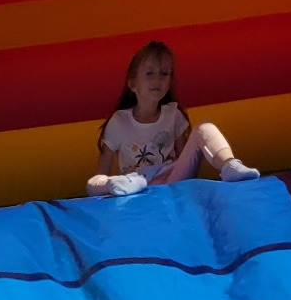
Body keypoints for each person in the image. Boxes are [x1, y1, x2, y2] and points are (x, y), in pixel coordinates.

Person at [87, 40, 260, 198]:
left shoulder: (173, 114)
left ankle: (229, 165)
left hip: (172, 181)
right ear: (133, 84)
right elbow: (100, 172)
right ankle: (117, 184)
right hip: (136, 183)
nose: (157, 80)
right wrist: (107, 182)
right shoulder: (119, 122)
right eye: (149, 73)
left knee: (204, 127)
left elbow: (186, 158)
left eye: (164, 74)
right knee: (94, 183)